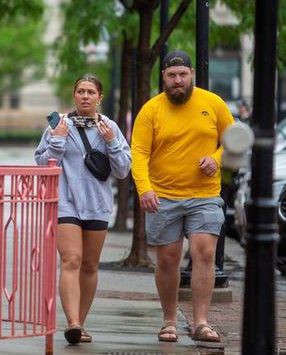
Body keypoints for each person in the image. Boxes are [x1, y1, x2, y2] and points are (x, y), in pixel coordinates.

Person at [131, 51, 234, 343]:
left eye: (183, 74)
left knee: (204, 254)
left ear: (191, 75)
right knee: (167, 260)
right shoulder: (151, 110)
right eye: (172, 75)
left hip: (204, 195)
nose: (178, 80)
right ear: (163, 77)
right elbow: (138, 152)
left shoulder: (213, 103)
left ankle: (201, 322)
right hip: (163, 196)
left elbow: (234, 140)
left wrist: (217, 158)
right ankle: (170, 320)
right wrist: (144, 188)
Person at [35, 74, 131, 345]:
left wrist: (111, 141)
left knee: (89, 265)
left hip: (97, 206)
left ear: (100, 97)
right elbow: (42, 166)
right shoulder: (58, 123)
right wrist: (57, 141)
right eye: (80, 91)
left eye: (91, 92)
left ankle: (82, 323)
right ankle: (73, 322)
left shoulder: (110, 127)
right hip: (65, 202)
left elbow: (123, 170)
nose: (85, 96)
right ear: (74, 95)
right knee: (71, 260)